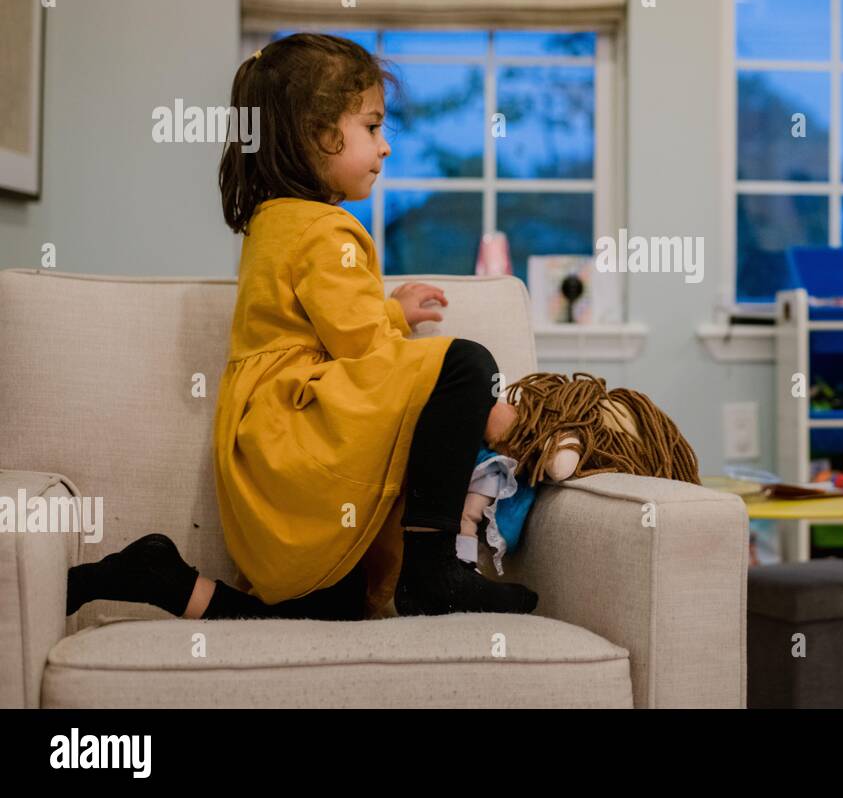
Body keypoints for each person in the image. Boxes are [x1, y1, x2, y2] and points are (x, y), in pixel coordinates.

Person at [66, 33, 538, 621]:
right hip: (298, 427)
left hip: (267, 449)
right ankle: (435, 569)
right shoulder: (325, 230)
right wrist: (478, 405)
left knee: (332, 608)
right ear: (318, 135)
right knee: (465, 363)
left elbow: (321, 323)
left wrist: (392, 310)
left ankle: (163, 578)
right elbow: (362, 348)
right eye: (372, 128)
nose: (385, 147)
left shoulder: (273, 221)